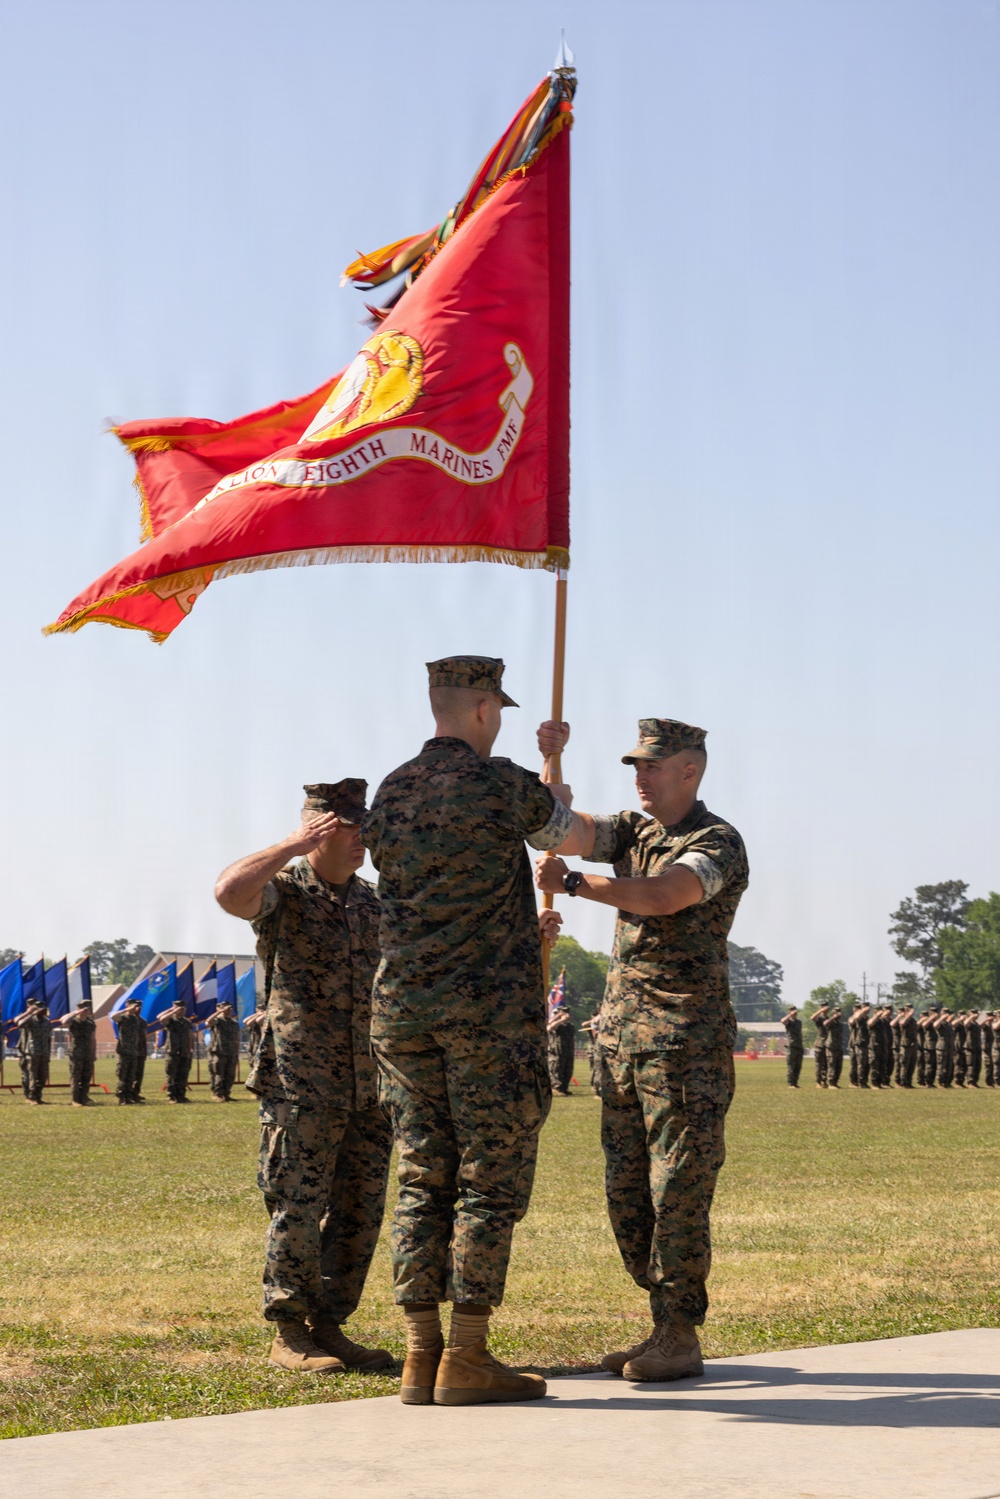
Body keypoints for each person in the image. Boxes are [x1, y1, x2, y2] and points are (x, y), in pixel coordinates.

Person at [363, 656, 571, 1407]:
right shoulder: (498, 782)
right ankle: (469, 1356)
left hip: (403, 1011)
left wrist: (543, 763)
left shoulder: (390, 789)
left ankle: (420, 1356)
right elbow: (563, 827)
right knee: (489, 1172)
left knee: (422, 1172)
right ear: (484, 708)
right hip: (485, 1014)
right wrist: (550, 761)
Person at [535, 715, 749, 1384]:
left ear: (690, 769)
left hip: (684, 1043)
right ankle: (660, 1319)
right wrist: (550, 763)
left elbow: (662, 896)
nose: (639, 775)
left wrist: (575, 884)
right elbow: (558, 830)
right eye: (635, 765)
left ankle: (680, 1330)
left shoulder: (717, 842)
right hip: (623, 1040)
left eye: (652, 764)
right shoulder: (633, 829)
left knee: (678, 1186)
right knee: (628, 1192)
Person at [216, 779, 394, 1377]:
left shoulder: (373, 902)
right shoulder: (284, 893)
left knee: (359, 1208)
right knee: (298, 1203)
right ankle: (289, 1331)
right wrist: (291, 845)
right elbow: (228, 891)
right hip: (301, 1080)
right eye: (343, 826)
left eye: (361, 824)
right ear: (315, 829)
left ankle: (329, 1324)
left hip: (370, 1083)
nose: (358, 837)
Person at [157, 996, 194, 1102]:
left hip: (184, 1052)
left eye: (183, 1009)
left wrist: (190, 1048)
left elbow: (190, 1035)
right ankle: (172, 1096)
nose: (181, 1011)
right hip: (173, 1051)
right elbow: (161, 1019)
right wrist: (173, 1010)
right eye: (179, 1009)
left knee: (183, 1075)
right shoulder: (171, 1020)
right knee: (171, 1075)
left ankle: (181, 1095)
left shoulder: (187, 1022)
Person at [14, 999, 51, 1104]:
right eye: (40, 1009)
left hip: (44, 1052)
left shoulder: (47, 1022)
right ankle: (31, 1097)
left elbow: (48, 1037)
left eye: (43, 1009)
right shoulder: (31, 1020)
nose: (42, 1011)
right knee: (32, 1076)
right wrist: (31, 1014)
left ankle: (38, 1096)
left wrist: (48, 1051)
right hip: (32, 1052)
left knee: (43, 1076)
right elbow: (19, 1024)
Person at [115, 995, 149, 1104]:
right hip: (124, 1051)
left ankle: (129, 1096)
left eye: (138, 1007)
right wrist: (126, 1010)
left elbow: (142, 1036)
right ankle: (121, 1097)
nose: (136, 1009)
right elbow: (113, 1016)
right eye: (134, 1006)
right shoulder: (123, 1018)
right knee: (123, 1075)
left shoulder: (137, 1020)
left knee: (131, 1075)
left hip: (134, 1051)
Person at [64, 997, 97, 1106]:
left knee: (86, 1076)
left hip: (87, 1053)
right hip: (76, 1053)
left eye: (88, 1009)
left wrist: (94, 1053)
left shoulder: (90, 1023)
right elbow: (63, 1021)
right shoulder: (74, 1021)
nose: (86, 1011)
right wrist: (75, 1012)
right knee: (76, 1076)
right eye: (84, 1009)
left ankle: (84, 1097)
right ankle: (75, 1100)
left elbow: (93, 1038)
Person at [206, 1000, 241, 1102]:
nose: (229, 1010)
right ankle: (217, 1094)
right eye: (227, 1008)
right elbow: (208, 1022)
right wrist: (219, 1012)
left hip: (231, 1052)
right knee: (218, 1073)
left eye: (230, 1008)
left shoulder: (234, 1023)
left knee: (230, 1074)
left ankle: (226, 1094)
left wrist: (237, 1050)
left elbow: (237, 1038)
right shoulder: (218, 1021)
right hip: (218, 1051)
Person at [547, 1001, 575, 1096]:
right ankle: (557, 1088)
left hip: (568, 1051)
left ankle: (564, 1088)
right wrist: (560, 1019)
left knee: (568, 1070)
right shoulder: (556, 1024)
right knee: (557, 1069)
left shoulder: (570, 1026)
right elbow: (549, 1028)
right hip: (557, 1052)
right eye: (563, 1012)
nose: (566, 1014)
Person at [780, 1006, 803, 1087]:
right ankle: (791, 1083)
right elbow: (782, 1021)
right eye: (792, 1011)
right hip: (791, 1046)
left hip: (799, 1046)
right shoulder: (789, 1022)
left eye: (795, 1011)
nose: (794, 1013)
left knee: (798, 1066)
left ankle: (795, 1082)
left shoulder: (799, 1022)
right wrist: (790, 1015)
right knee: (791, 1066)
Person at [581, 1015, 603, 1096]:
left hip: (601, 1049)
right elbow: (594, 1033)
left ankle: (598, 1087)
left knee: (599, 1069)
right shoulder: (594, 1023)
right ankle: (596, 1089)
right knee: (596, 1069)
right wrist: (594, 1020)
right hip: (596, 1049)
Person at [935, 1007, 955, 1088]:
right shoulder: (941, 1024)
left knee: (949, 1066)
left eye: (948, 1013)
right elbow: (935, 1025)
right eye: (945, 1013)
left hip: (949, 1047)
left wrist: (954, 1048)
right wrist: (942, 1018)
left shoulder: (949, 1025)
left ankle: (947, 1082)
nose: (947, 1015)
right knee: (941, 1066)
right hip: (942, 1048)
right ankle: (940, 1082)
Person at [899, 1003, 918, 1088]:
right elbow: (902, 1023)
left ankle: (909, 1082)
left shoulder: (913, 1020)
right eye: (908, 1009)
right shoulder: (903, 1018)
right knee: (905, 1064)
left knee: (912, 1064)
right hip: (905, 1045)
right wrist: (909, 1015)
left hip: (913, 1045)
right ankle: (903, 1082)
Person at [812, 1003, 830, 1089]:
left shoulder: (828, 1019)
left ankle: (824, 1081)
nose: (826, 1008)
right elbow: (812, 1018)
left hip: (827, 1043)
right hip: (819, 1043)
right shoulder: (819, 1018)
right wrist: (820, 1011)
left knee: (826, 1064)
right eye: (824, 1007)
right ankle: (818, 1082)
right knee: (819, 1064)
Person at [826, 1005, 844, 1089]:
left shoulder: (840, 1024)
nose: (838, 1014)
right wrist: (833, 1018)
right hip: (831, 1047)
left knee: (838, 1066)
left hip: (839, 1046)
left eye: (839, 1012)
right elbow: (825, 1023)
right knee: (831, 1064)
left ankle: (835, 1082)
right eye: (836, 1012)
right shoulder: (830, 1022)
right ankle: (831, 1083)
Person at [981, 1012, 994, 1088]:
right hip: (987, 1047)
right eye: (989, 1016)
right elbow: (980, 1025)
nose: (991, 1017)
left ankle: (993, 1081)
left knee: (994, 1065)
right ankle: (988, 1082)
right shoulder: (986, 1025)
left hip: (994, 1047)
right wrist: (986, 1020)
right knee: (988, 1065)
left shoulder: (994, 1024)